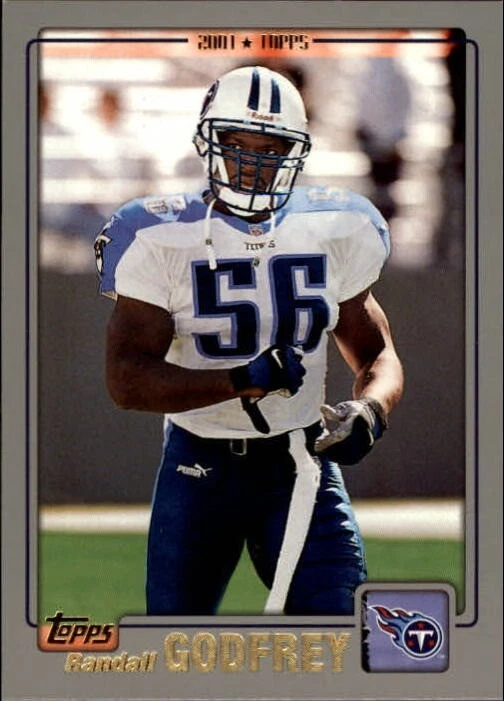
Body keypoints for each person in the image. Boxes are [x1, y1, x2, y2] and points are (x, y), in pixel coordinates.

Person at [94, 65, 404, 616]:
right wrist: (238, 381)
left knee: (342, 631)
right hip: (198, 468)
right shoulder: (160, 234)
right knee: (176, 645)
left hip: (298, 462)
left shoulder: (335, 226)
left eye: (271, 147)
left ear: (296, 152)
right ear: (209, 140)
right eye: (237, 144)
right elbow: (126, 379)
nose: (254, 161)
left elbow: (378, 354)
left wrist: (371, 410)